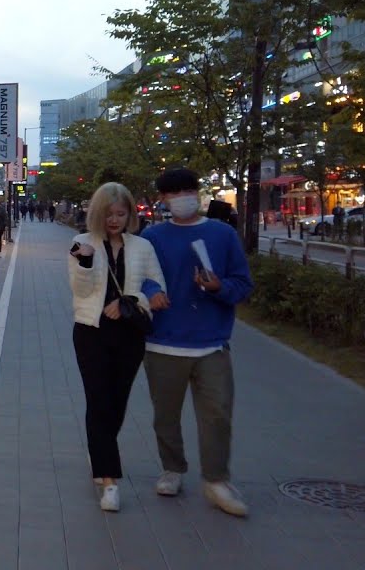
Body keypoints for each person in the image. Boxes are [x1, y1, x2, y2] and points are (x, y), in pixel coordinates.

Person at [141, 167, 254, 517]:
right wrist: (152, 292)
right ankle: (173, 468)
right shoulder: (153, 237)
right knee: (166, 415)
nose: (181, 199)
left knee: (218, 413)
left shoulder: (222, 235)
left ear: (198, 192)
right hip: (163, 341)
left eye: (187, 190)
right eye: (172, 193)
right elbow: (138, 277)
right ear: (162, 199)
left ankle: (217, 478)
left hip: (212, 342)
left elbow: (242, 283)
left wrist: (219, 287)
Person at [68, 182, 166, 512]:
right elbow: (80, 291)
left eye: (121, 214)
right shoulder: (81, 243)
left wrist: (128, 302)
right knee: (98, 400)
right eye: (108, 214)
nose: (114, 220)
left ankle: (99, 449)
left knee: (117, 402)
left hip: (129, 333)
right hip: (90, 332)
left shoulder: (142, 247)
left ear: (130, 215)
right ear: (97, 214)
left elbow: (155, 287)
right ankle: (109, 480)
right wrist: (84, 263)